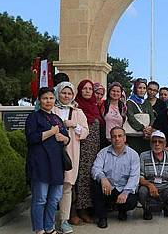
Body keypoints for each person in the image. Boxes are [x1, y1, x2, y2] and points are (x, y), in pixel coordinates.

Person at [25, 87, 70, 234]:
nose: (48, 101)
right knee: (40, 199)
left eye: (51, 98)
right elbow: (31, 138)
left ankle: (49, 227)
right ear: (39, 100)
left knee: (54, 199)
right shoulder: (34, 117)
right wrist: (51, 132)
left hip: (56, 165)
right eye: (45, 98)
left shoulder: (56, 119)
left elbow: (65, 138)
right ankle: (39, 229)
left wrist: (65, 138)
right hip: (40, 164)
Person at [52, 81, 90, 233]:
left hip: (71, 151)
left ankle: (64, 220)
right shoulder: (51, 109)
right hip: (52, 151)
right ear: (58, 93)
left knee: (67, 186)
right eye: (63, 93)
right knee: (52, 185)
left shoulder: (77, 112)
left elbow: (85, 132)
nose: (66, 96)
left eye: (69, 93)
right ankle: (48, 219)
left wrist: (74, 125)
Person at [91, 127, 140, 228]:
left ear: (125, 138)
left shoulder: (133, 155)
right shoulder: (103, 153)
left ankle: (122, 210)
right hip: (108, 188)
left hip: (123, 188)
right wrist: (103, 179)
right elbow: (95, 169)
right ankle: (102, 217)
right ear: (111, 139)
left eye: (120, 136)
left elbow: (134, 177)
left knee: (131, 201)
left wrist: (125, 192)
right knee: (96, 184)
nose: (117, 139)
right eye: (114, 136)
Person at [73, 79, 104, 224]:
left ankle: (89, 207)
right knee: (81, 179)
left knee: (90, 177)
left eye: (90, 89)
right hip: (80, 148)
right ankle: (79, 209)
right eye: (84, 88)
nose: (87, 91)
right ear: (79, 90)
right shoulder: (76, 107)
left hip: (94, 150)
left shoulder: (94, 106)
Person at [126, 78, 155, 153]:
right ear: (135, 89)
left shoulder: (147, 102)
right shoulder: (130, 102)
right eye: (139, 88)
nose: (142, 90)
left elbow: (151, 116)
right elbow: (131, 117)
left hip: (146, 136)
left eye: (144, 88)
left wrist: (150, 127)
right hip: (134, 136)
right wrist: (142, 128)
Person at [103, 82, 126, 147]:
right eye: (113, 91)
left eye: (118, 91)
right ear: (109, 91)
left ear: (121, 93)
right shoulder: (103, 104)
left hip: (118, 140)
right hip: (105, 139)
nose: (115, 93)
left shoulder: (123, 107)